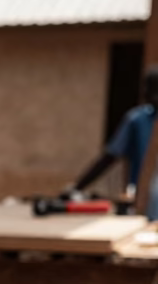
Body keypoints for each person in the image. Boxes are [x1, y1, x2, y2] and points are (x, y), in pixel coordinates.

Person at [64, 65, 158, 218]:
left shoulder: (138, 120)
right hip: (142, 202)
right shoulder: (138, 120)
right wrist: (76, 188)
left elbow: (109, 157)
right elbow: (110, 156)